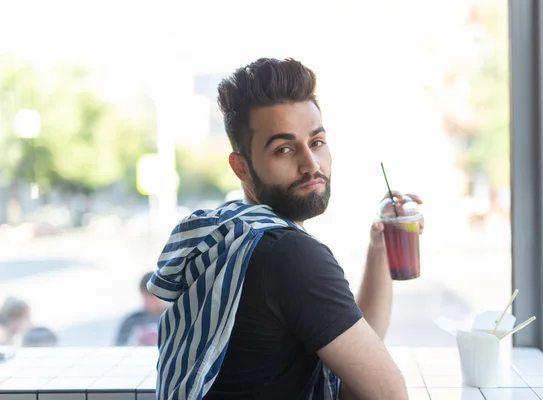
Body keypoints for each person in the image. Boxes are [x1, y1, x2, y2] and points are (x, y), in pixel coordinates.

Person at [148, 58, 423, 400]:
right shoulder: (288, 254)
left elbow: (358, 351)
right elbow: (388, 393)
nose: (311, 164)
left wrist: (380, 245)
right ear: (242, 168)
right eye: (284, 149)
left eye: (317, 142)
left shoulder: (232, 237)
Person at [115, 272, 168, 346]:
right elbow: (118, 348)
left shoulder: (176, 318)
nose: (154, 298)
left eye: (158, 293)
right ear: (143, 294)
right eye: (149, 294)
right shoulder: (132, 321)